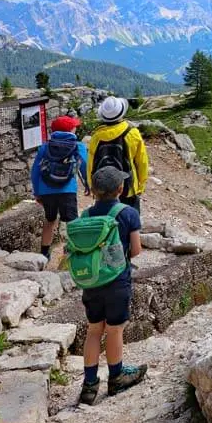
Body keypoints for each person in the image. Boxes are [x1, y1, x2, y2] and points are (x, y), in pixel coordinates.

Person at [73, 165, 147, 404]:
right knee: (114, 329)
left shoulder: (84, 217)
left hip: (91, 281)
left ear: (93, 191)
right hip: (117, 281)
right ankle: (116, 377)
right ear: (120, 188)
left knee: (94, 330)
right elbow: (135, 250)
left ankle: (89, 385)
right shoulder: (127, 213)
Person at [30, 115, 89, 260]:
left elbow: (35, 171)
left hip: (46, 190)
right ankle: (72, 253)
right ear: (71, 130)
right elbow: (85, 166)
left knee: (50, 220)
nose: (76, 128)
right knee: (72, 222)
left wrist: (37, 192)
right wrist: (88, 184)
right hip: (67, 190)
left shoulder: (45, 147)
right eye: (74, 127)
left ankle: (44, 254)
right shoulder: (78, 146)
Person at [86, 97, 150, 212]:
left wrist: (93, 186)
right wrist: (140, 185)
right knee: (130, 223)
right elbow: (142, 162)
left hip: (103, 190)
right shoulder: (132, 133)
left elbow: (91, 164)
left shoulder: (96, 136)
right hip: (127, 188)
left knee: (107, 225)